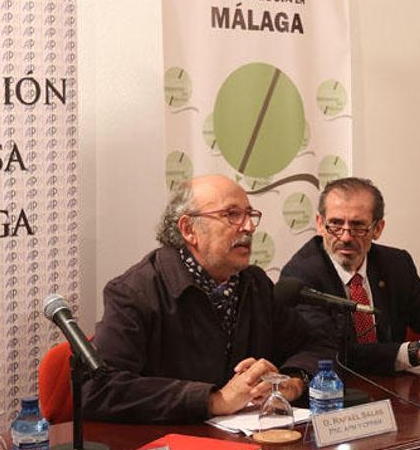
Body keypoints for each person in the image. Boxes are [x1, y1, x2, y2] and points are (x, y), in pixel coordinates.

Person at [83, 174, 332, 423]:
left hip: (248, 440)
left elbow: (316, 346)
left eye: (249, 214)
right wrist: (213, 400)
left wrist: (293, 381)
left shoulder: (255, 283)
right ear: (189, 229)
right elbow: (100, 390)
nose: (249, 227)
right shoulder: (136, 291)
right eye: (232, 215)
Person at [281, 177, 420, 375]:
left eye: (358, 226)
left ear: (378, 228)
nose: (345, 237)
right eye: (335, 224)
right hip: (337, 394)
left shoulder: (396, 264)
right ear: (320, 224)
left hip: (395, 392)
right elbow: (335, 355)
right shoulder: (301, 276)